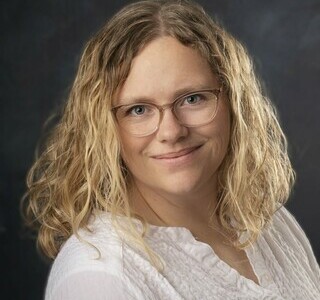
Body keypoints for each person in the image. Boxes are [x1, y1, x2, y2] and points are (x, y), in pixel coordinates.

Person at [23, 0, 320, 299]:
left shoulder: (268, 221)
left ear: (234, 101)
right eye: (138, 109)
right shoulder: (100, 279)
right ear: (103, 127)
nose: (171, 131)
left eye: (192, 99)